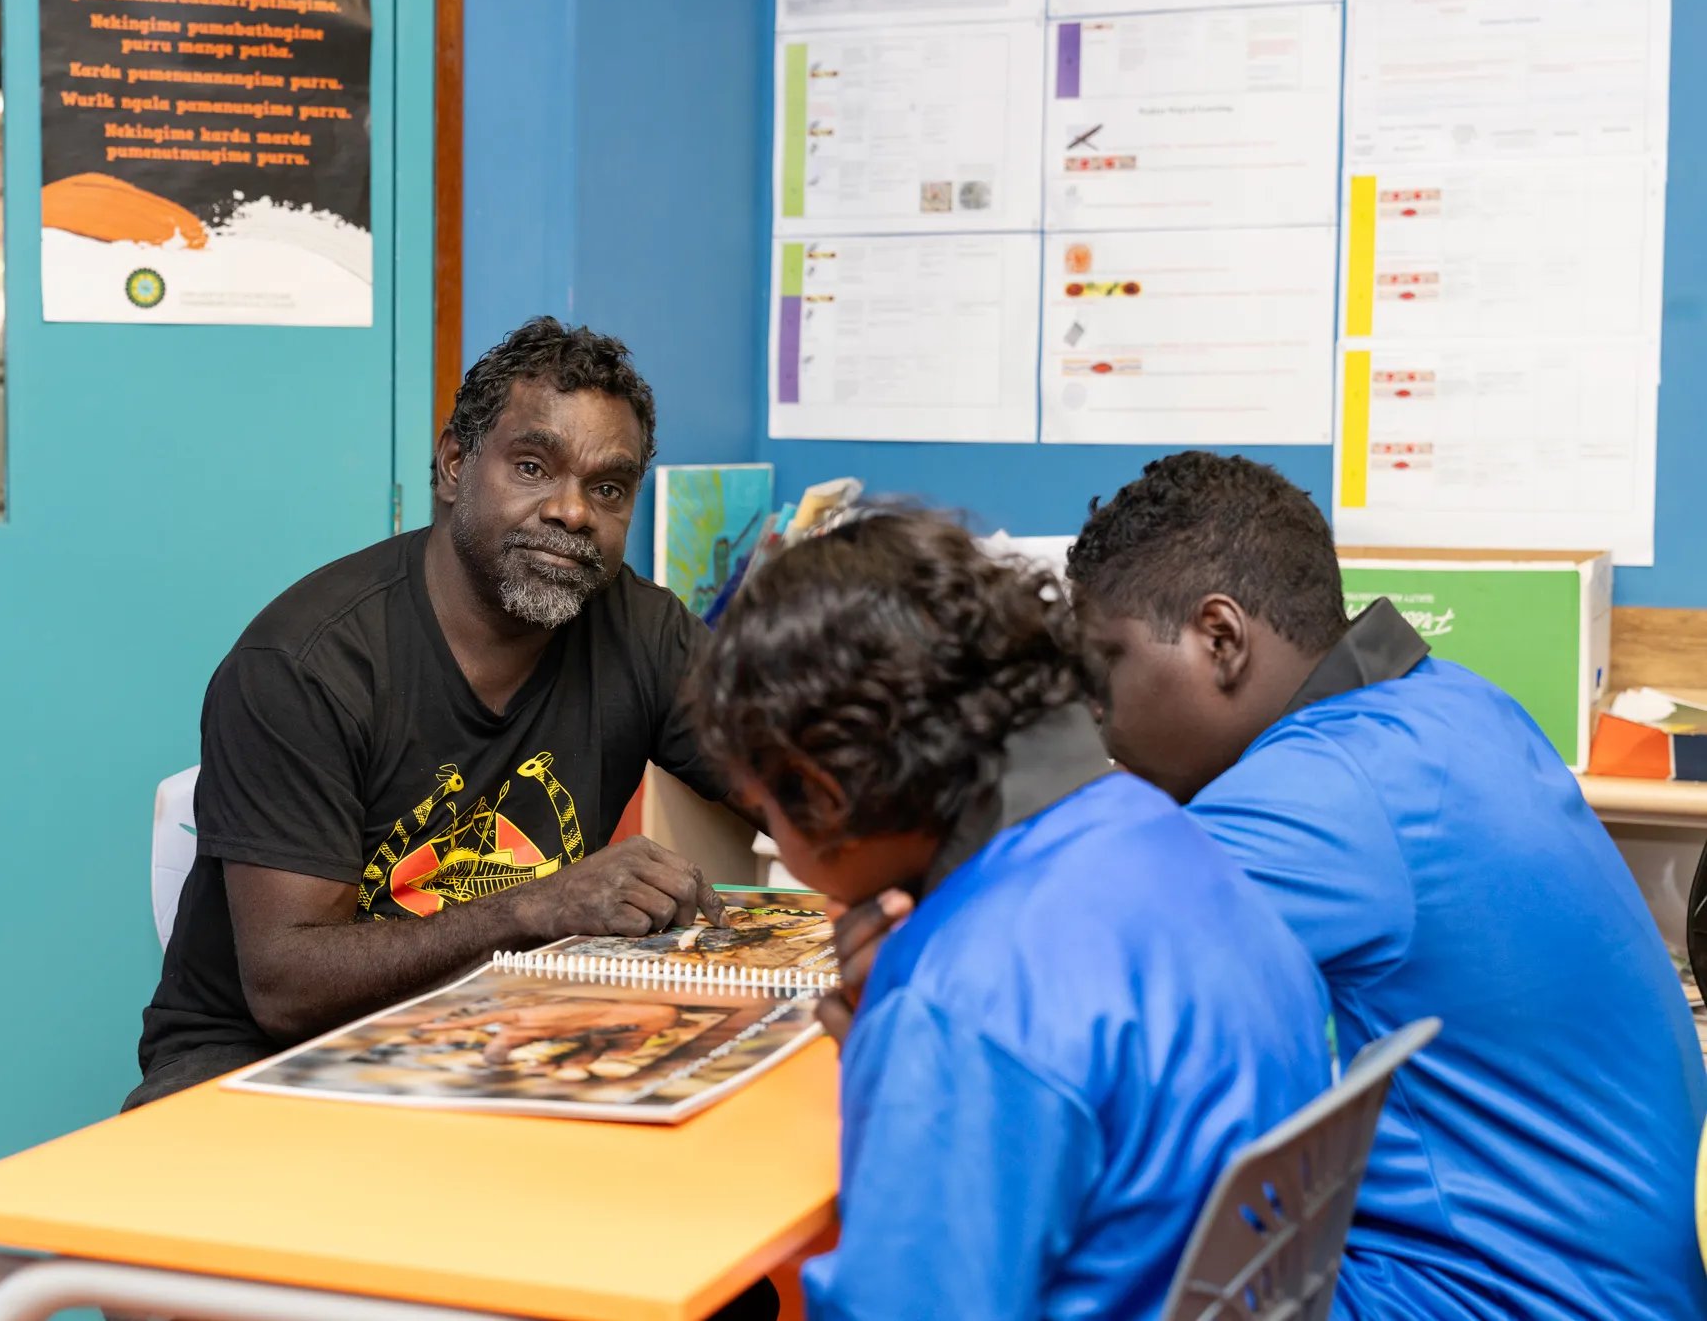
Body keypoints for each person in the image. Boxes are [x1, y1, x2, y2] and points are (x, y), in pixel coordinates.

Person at [1059, 452, 1707, 1320]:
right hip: (1619, 1275)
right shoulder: (1452, 702)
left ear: (1221, 638)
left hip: (1501, 1296)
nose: (1096, 712)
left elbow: (1045, 969)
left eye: (1107, 667)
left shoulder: (1323, 786)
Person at [685, 507, 1335, 1321]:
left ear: (822, 795)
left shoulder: (958, 1005)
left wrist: (908, 1050)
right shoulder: (1175, 838)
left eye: (761, 805)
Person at [131, 317, 741, 1111]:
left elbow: (796, 780)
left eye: (609, 487)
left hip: (504, 1033)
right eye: (532, 465)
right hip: (259, 1065)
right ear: (455, 463)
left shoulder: (641, 629)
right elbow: (287, 985)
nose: (573, 512)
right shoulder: (305, 666)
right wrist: (540, 907)